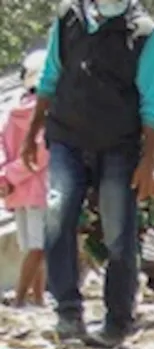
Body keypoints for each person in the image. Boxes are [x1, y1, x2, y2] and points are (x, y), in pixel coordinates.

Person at [24, 0, 154, 347]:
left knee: (119, 231)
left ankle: (117, 321)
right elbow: (50, 77)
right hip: (67, 138)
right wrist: (32, 133)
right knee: (58, 217)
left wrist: (151, 161)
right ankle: (68, 313)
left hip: (119, 144)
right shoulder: (68, 18)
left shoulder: (145, 35)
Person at [1, 50, 50, 308]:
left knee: (32, 246)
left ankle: (39, 298)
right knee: (38, 246)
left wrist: (6, 177)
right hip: (37, 188)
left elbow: (3, 147)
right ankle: (21, 298)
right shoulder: (44, 112)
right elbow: (40, 153)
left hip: (16, 189)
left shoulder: (12, 111)